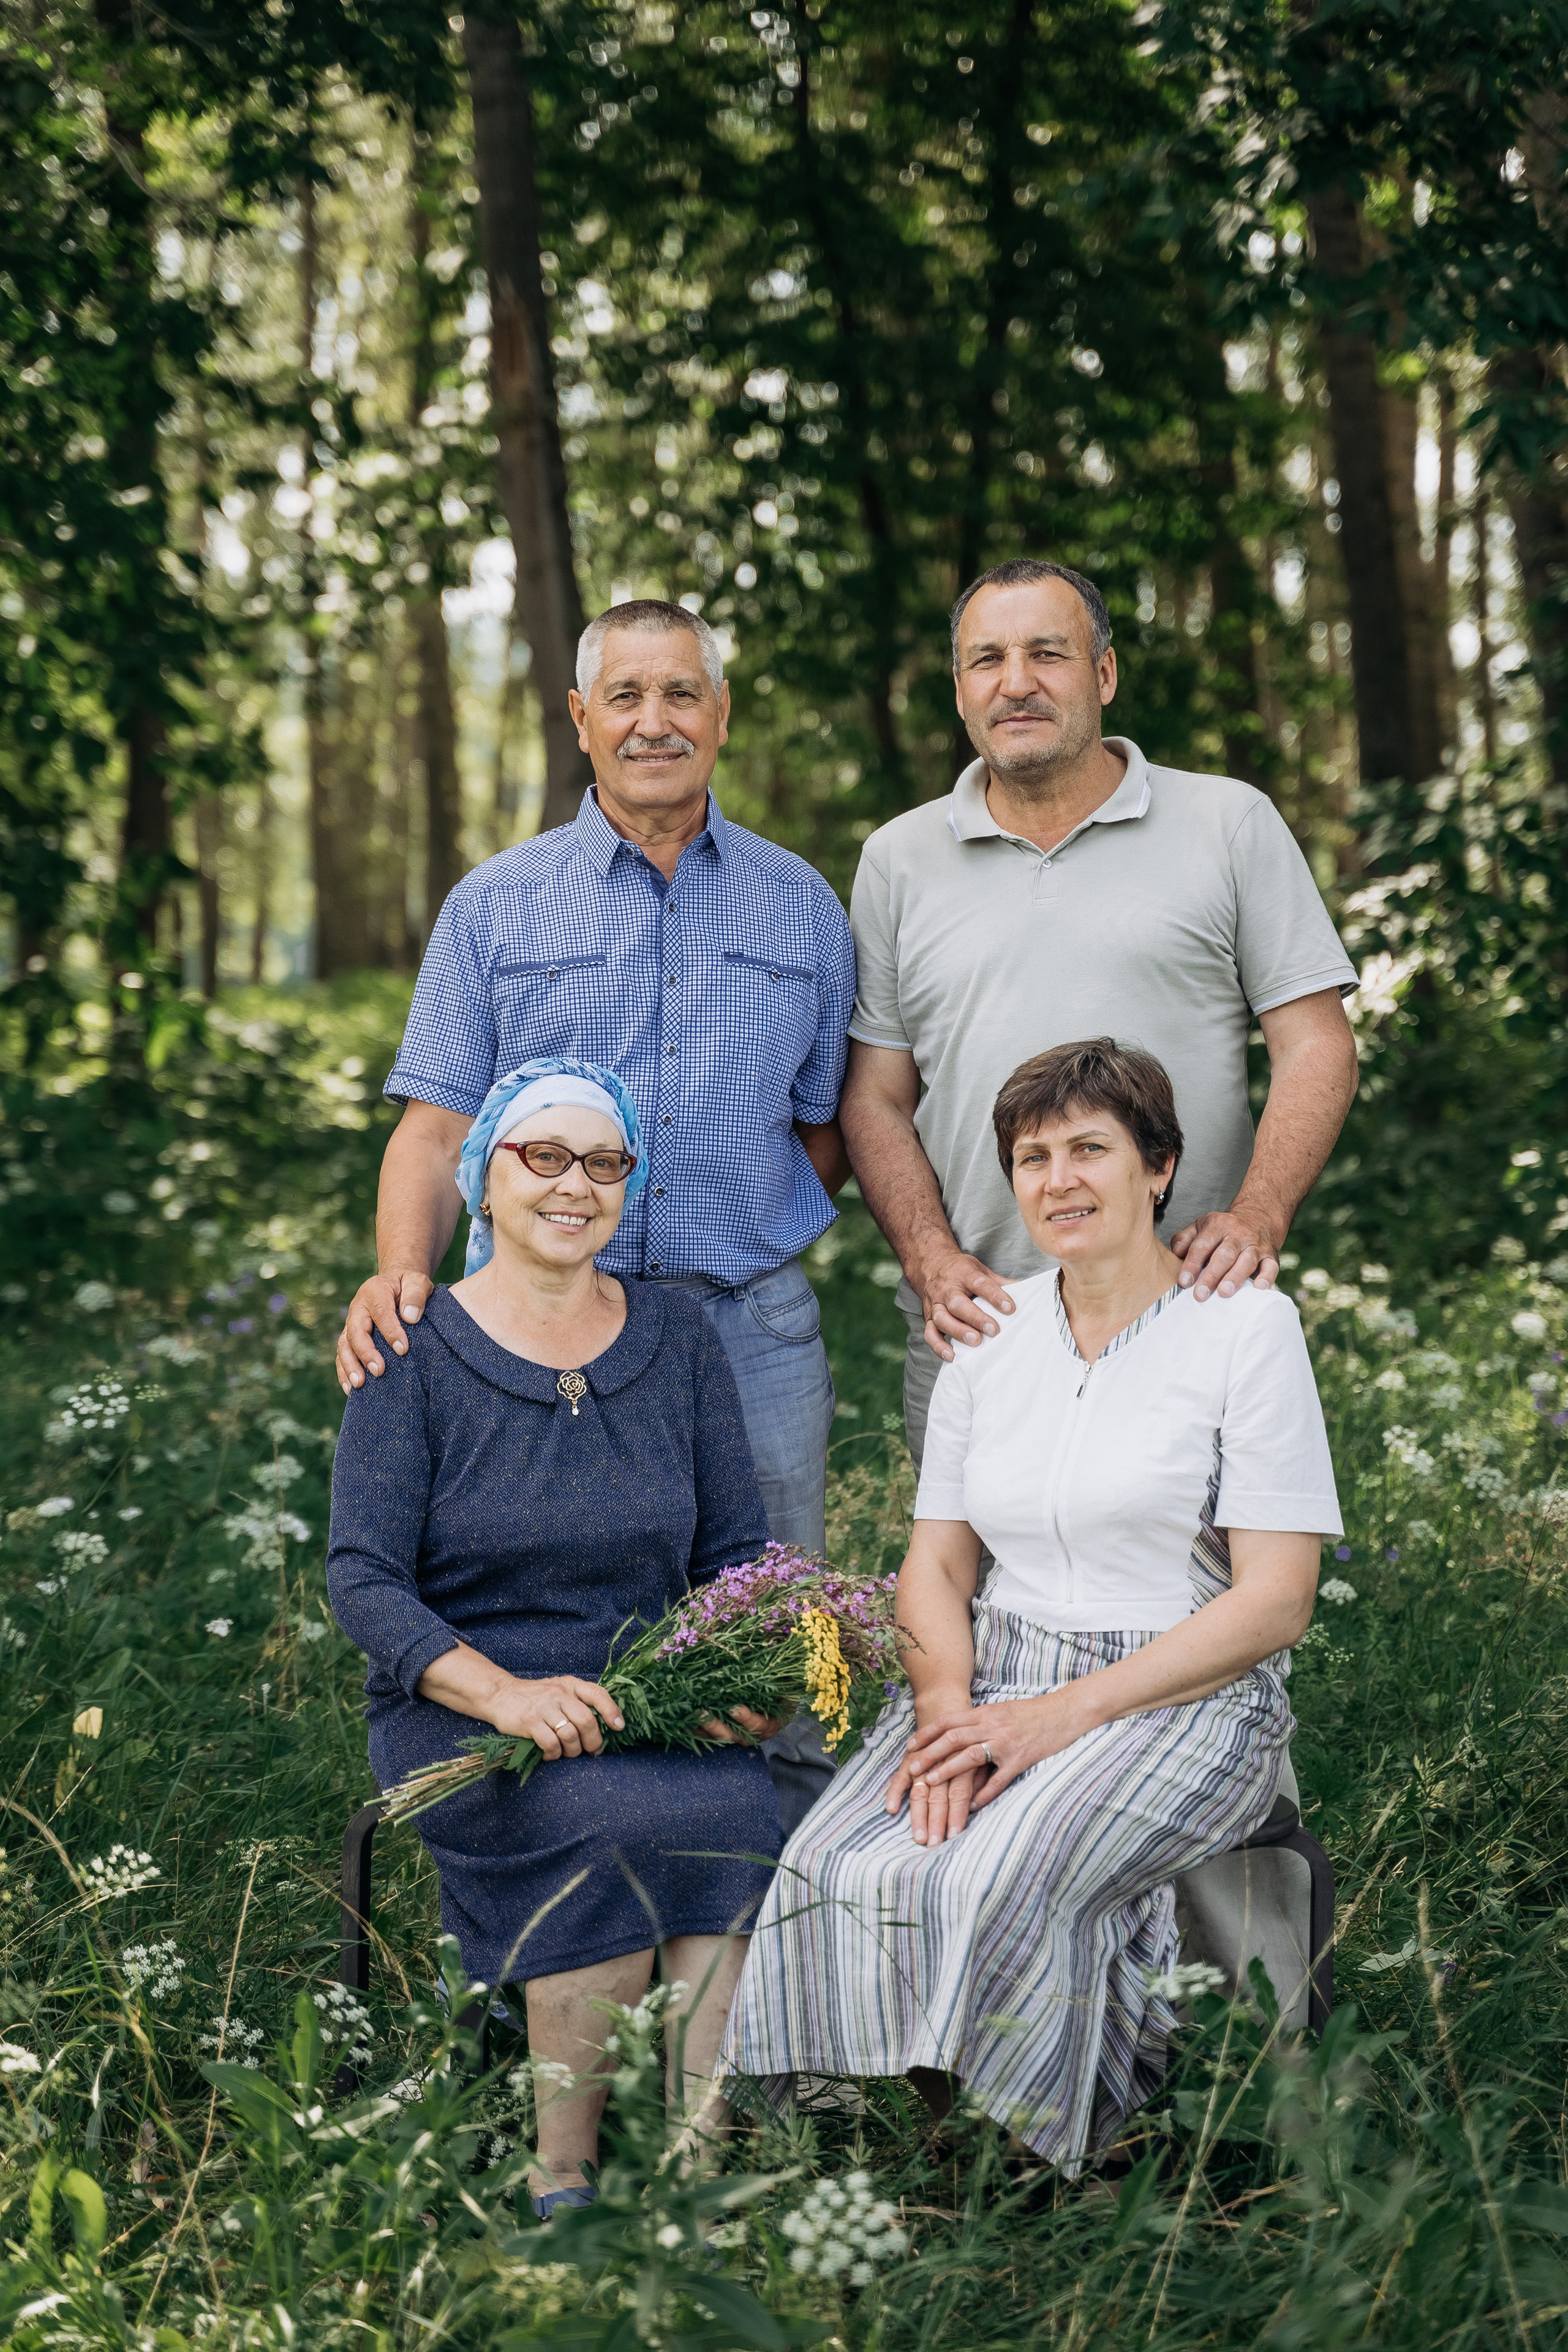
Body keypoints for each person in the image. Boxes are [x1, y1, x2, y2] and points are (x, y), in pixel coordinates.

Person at [720, 1040, 1342, 2169]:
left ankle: (1059, 2159)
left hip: (1185, 1690)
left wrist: (1056, 1720)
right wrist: (949, 1715)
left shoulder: (1245, 1328)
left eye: (1090, 1150)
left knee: (1002, 1873)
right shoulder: (990, 1334)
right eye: (1033, 1158)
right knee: (836, 1866)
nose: (1060, 1180)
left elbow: (1276, 1603)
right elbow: (936, 1568)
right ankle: (936, 2137)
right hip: (994, 1673)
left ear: (1159, 1167)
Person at [334, 598, 857, 1831]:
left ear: (719, 715)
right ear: (580, 719)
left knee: (770, 1646)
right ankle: (556, 1871)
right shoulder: (497, 906)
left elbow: (827, 1119)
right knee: (559, 1619)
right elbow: (434, 1131)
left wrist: (748, 1226)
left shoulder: (800, 906)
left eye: (680, 693)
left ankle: (780, 1898)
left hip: (745, 1326)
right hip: (538, 1333)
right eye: (624, 695)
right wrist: (401, 1274)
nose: (652, 721)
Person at [327, 1060, 785, 2215]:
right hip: (465, 1705)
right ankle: (564, 2175)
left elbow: (736, 1553)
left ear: (629, 1185)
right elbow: (362, 1579)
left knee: (740, 1810)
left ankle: (691, 2171)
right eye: (543, 1156)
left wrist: (745, 1674)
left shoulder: (676, 1336)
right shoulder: (411, 1345)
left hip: (644, 1693)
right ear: (484, 1177)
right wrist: (505, 1695)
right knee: (603, 1819)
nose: (574, 1184)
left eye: (604, 1162)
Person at [838, 555, 1360, 1461]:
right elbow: (874, 1096)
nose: (1017, 682)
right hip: (980, 1321)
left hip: (1190, 1306)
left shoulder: (1228, 823)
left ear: (1105, 673)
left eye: (1048, 653)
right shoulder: (896, 860)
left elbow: (1316, 1044)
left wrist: (1257, 1217)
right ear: (959, 691)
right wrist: (930, 1260)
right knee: (966, 1557)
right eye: (987, 660)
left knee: (1212, 1555)